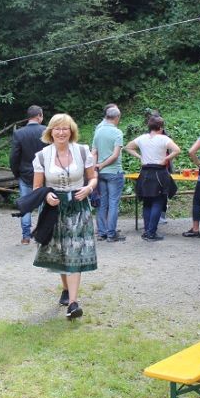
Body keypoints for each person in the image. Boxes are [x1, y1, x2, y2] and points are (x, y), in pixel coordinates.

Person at [31, 113, 98, 319]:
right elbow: (37, 187)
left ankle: (73, 303)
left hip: (78, 207)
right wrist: (47, 196)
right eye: (57, 128)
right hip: (54, 209)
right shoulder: (42, 155)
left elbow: (93, 177)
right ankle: (66, 288)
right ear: (51, 132)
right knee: (61, 251)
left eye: (65, 128)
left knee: (74, 252)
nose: (61, 132)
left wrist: (88, 189)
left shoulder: (82, 151)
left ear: (71, 131)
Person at [123, 116, 180, 241]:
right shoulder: (164, 138)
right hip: (159, 172)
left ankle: (147, 231)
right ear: (160, 127)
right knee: (158, 202)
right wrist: (166, 159)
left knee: (147, 203)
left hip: (145, 172)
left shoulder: (142, 138)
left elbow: (127, 147)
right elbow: (177, 150)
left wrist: (140, 157)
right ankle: (151, 233)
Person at [9, 106, 46, 244]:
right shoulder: (46, 131)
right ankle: (42, 233)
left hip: (25, 173)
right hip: (43, 174)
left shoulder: (19, 133)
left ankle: (26, 236)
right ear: (39, 116)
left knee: (25, 204)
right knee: (44, 204)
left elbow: (14, 156)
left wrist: (16, 172)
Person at [91, 106, 125, 242]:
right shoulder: (117, 133)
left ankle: (101, 233)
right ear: (117, 118)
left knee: (102, 204)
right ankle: (111, 234)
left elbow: (93, 152)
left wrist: (95, 168)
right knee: (113, 203)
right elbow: (115, 155)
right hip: (114, 172)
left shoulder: (98, 132)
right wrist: (103, 164)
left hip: (101, 174)